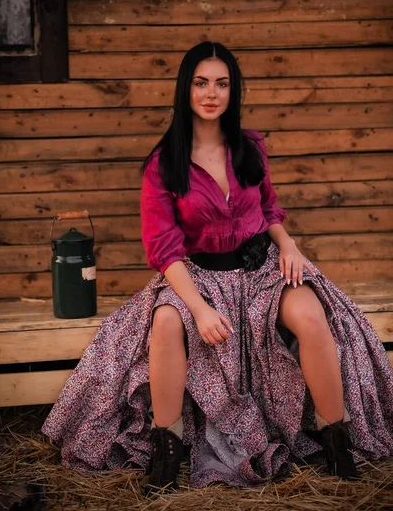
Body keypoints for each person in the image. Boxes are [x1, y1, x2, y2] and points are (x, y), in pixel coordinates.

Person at [42, 42, 393, 495]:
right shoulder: (163, 164)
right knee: (167, 322)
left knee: (310, 313)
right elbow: (164, 249)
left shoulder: (249, 146)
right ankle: (165, 451)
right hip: (197, 275)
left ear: (233, 91)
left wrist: (289, 246)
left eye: (222, 84)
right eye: (201, 82)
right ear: (186, 89)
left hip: (262, 266)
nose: (212, 93)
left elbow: (268, 208)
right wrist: (200, 309)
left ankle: (336, 441)